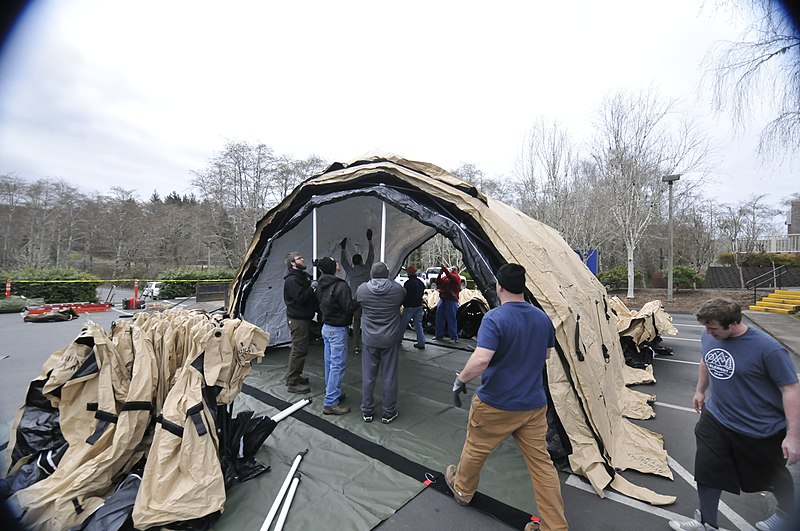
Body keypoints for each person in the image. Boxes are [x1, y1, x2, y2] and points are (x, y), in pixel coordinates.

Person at [444, 263, 568, 531]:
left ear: (499, 287)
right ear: (523, 287)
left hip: (495, 404)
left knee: (476, 449)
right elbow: (546, 356)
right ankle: (554, 527)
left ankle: (463, 491)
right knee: (542, 466)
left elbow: (481, 360)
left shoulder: (495, 318)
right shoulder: (542, 319)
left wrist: (460, 379)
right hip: (533, 406)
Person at [668, 297, 800, 531]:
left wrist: (793, 436)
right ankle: (707, 522)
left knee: (773, 475)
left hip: (760, 426)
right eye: (706, 327)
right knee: (707, 468)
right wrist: (700, 391)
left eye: (713, 328)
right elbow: (705, 361)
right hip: (717, 417)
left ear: (733, 323)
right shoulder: (710, 335)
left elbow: (790, 389)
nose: (708, 332)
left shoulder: (768, 349)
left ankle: (785, 514)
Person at [356, 262, 406, 424]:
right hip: (390, 338)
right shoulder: (397, 290)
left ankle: (367, 410)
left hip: (369, 338)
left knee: (368, 376)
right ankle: (388, 411)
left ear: (371, 273)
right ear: (387, 273)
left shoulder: (362, 289)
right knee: (389, 376)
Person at [315, 256, 358, 415]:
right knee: (337, 366)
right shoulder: (341, 286)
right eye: (336, 262)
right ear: (334, 268)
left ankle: (333, 393)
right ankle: (330, 402)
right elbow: (348, 307)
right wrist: (358, 300)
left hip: (326, 327)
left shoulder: (320, 285)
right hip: (337, 329)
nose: (338, 264)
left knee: (330, 364)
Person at [282, 251, 318, 393]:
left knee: (301, 349)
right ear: (292, 263)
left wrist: (318, 270)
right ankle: (292, 381)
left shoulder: (301, 276)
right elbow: (300, 297)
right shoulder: (292, 280)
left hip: (302, 318)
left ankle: (295, 376)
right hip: (298, 320)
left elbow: (312, 280)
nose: (303, 259)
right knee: (298, 349)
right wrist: (312, 288)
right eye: (299, 258)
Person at [341, 229, 375, 355]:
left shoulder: (351, 271)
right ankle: (369, 343)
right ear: (361, 261)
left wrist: (343, 249)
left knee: (356, 324)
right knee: (369, 323)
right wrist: (370, 241)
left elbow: (344, 262)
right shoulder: (366, 269)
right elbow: (371, 256)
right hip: (368, 300)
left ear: (353, 263)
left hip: (356, 300)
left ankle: (356, 346)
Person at [398, 265, 426, 350]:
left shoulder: (408, 283)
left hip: (410, 307)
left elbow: (405, 296)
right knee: (418, 325)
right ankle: (421, 342)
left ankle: (398, 340)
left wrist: (401, 304)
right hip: (419, 306)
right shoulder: (421, 282)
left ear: (409, 273)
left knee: (402, 324)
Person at [433, 264, 461, 344]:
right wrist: (440, 274)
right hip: (442, 299)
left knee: (451, 319)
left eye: (454, 269)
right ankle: (439, 335)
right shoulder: (445, 278)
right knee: (439, 318)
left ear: (457, 272)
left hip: (451, 301)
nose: (452, 270)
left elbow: (451, 276)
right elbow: (438, 282)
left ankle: (454, 337)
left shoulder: (456, 278)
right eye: (451, 268)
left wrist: (444, 269)